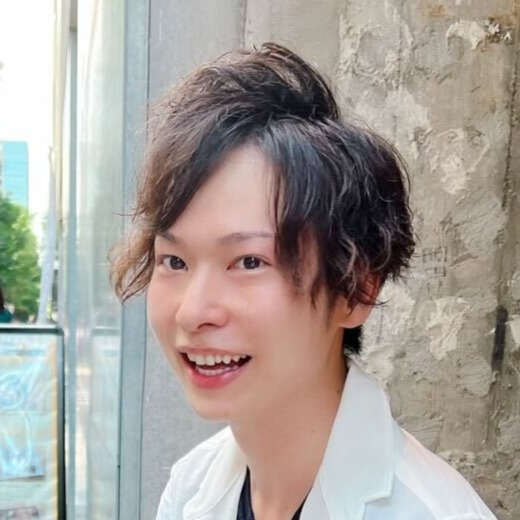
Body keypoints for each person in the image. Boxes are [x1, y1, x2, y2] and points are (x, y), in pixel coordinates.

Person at [111, 43, 496, 520]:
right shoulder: (190, 487)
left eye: (248, 262)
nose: (192, 312)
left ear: (355, 289)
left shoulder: (429, 512)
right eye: (174, 261)